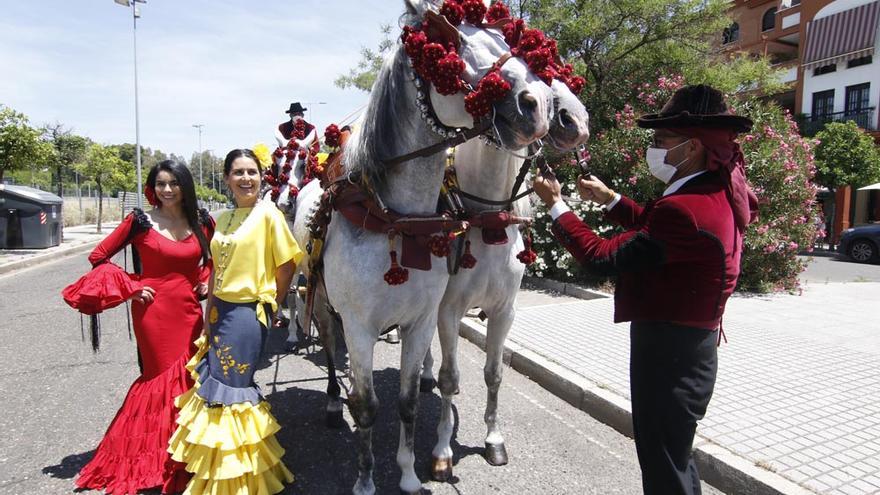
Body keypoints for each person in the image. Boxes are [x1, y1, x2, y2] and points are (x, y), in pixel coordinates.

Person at [532, 84, 757, 495]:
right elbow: (657, 234)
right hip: (689, 348)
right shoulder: (711, 189)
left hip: (669, 356)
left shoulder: (684, 208)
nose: (652, 148)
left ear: (690, 148)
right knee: (675, 455)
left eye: (660, 141)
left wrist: (556, 205)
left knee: (663, 467)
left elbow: (600, 256)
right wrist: (611, 198)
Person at [168, 148, 302, 494]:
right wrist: (209, 313)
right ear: (227, 178)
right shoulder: (224, 217)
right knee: (216, 389)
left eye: (252, 172)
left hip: (246, 314)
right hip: (219, 312)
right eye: (238, 173)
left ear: (262, 177)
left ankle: (244, 479)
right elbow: (216, 270)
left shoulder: (269, 214)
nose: (246, 179)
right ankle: (225, 471)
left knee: (233, 392)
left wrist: (273, 303)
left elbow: (287, 264)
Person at [76, 160, 214, 495]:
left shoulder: (202, 221)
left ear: (185, 186)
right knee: (162, 379)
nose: (167, 190)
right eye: (161, 183)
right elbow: (99, 256)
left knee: (189, 380)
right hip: (152, 312)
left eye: (173, 183)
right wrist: (131, 286)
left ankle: (188, 457)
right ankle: (159, 461)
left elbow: (209, 260)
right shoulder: (140, 221)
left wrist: (205, 281)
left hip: (189, 310)